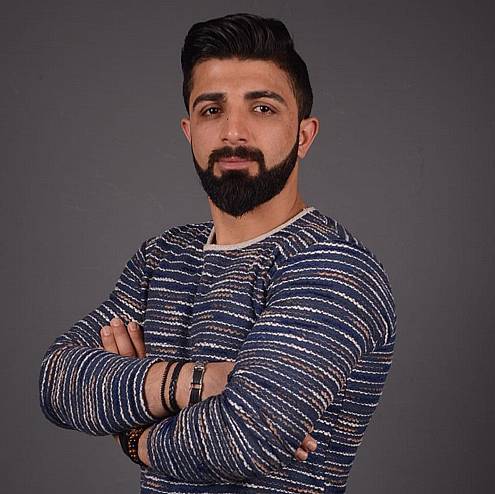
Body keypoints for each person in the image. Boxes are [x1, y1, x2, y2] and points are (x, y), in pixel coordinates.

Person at [39, 13, 396, 494]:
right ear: (189, 131)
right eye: (212, 110)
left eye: (262, 108)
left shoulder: (333, 267)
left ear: (304, 135)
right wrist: (202, 381)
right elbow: (58, 381)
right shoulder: (162, 257)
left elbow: (247, 437)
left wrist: (136, 437)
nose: (233, 132)